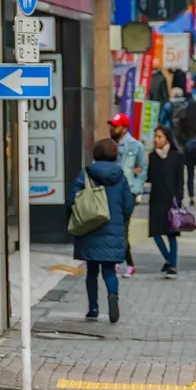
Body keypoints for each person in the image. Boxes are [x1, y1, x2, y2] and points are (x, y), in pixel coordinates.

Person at [67, 138, 134, 322]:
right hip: (113, 230)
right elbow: (128, 204)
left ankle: (93, 309)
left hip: (90, 228)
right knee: (109, 271)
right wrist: (121, 221)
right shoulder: (120, 176)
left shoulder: (86, 173)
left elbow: (72, 199)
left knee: (92, 271)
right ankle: (113, 296)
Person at [108, 113, 146, 277]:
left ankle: (128, 263)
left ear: (124, 128)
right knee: (114, 227)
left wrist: (135, 190)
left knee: (122, 228)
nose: (112, 128)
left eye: (115, 126)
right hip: (111, 191)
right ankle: (117, 260)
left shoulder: (135, 146)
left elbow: (142, 170)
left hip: (127, 192)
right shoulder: (109, 145)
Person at [147, 126, 185, 278]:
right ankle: (170, 260)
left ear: (167, 138)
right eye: (155, 136)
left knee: (171, 235)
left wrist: (179, 199)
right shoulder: (152, 156)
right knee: (155, 233)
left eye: (159, 137)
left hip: (171, 200)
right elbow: (150, 177)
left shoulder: (176, 156)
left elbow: (180, 180)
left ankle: (173, 266)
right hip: (156, 200)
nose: (156, 140)